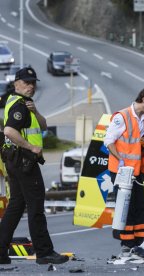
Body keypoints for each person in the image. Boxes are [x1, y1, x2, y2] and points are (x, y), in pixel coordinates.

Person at [0, 67, 69, 265]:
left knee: (16, 206)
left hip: (14, 161)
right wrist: (31, 147)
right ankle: (44, 252)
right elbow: (10, 131)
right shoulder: (19, 105)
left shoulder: (21, 103)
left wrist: (35, 110)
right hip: (24, 161)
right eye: (26, 82)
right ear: (16, 83)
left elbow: (44, 125)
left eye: (33, 83)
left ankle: (1, 252)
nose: (31, 86)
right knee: (36, 206)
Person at [104, 85, 144, 256]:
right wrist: (120, 159)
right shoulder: (122, 117)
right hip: (122, 170)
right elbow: (109, 141)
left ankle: (141, 241)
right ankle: (127, 243)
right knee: (127, 208)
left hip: (136, 170)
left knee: (141, 206)